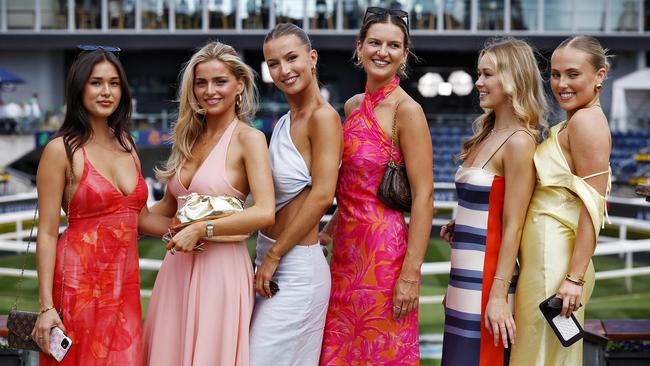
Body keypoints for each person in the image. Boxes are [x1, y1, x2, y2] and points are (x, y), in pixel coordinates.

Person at [139, 41, 275, 366]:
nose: (209, 91)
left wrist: (202, 228)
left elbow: (264, 211)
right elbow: (165, 215)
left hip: (221, 272)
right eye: (201, 82)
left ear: (239, 85)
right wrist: (110, 214)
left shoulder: (250, 139)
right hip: (176, 270)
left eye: (220, 81)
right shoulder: (186, 138)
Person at [319, 7, 434, 365]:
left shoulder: (408, 111)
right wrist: (329, 230)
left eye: (393, 45)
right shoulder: (352, 106)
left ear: (404, 53)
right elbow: (353, 186)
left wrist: (411, 274)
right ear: (359, 47)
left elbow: (425, 195)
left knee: (381, 351)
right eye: (374, 43)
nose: (382, 51)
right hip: (344, 254)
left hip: (384, 257)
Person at [32, 46, 147, 365]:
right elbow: (47, 232)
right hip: (76, 288)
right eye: (96, 82)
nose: (106, 91)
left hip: (124, 289)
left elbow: (143, 218)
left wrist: (205, 220)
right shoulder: (60, 151)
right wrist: (46, 306)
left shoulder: (128, 145)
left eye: (114, 83)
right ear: (79, 87)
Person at [438, 37, 548, 365]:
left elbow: (514, 223)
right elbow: (491, 207)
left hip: (488, 282)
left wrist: (498, 295)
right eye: (479, 74)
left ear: (513, 79)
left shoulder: (520, 142)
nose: (478, 82)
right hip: (463, 279)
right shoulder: (486, 134)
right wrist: (465, 223)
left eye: (487, 75)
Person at [510, 35, 612, 365]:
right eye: (555, 74)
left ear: (600, 75)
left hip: (555, 263)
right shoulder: (576, 120)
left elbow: (593, 206)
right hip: (547, 257)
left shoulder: (586, 122)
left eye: (572, 74)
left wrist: (573, 279)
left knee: (538, 355)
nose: (561, 84)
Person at [249, 23, 342, 365]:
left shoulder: (324, 118)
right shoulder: (286, 121)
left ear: (312, 58)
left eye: (292, 58)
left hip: (296, 271)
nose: (284, 70)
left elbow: (322, 196)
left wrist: (274, 256)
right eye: (274, 63)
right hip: (269, 263)